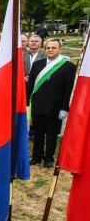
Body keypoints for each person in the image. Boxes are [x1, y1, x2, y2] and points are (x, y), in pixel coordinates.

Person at [27, 39, 77, 168]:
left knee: (51, 134)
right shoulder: (38, 64)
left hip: (55, 107)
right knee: (38, 132)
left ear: (60, 50)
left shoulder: (68, 66)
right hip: (38, 105)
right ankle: (37, 156)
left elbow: (68, 89)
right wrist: (28, 103)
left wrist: (65, 108)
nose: (50, 50)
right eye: (48, 48)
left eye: (53, 48)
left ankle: (48, 158)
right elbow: (31, 85)